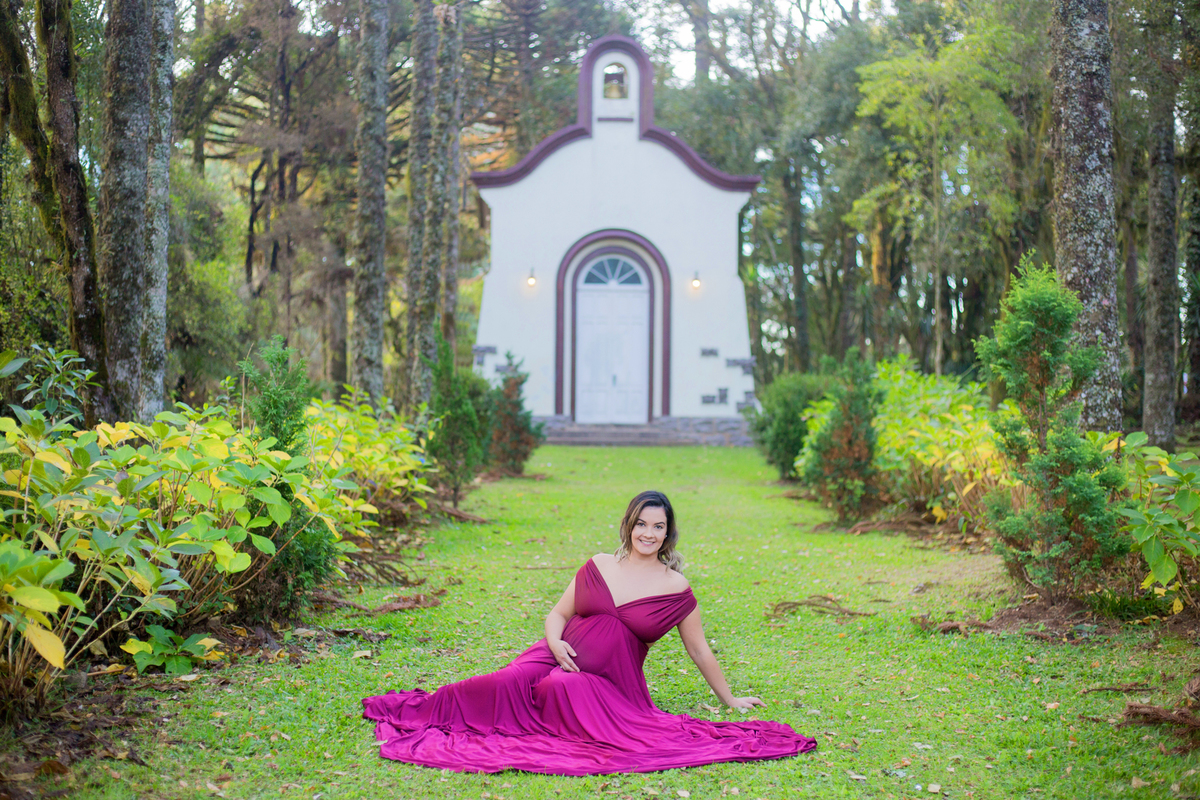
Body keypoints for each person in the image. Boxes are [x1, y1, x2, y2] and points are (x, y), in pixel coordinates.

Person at [362, 490, 816, 775]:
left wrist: (730, 700)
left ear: (667, 534)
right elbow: (556, 615)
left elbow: (699, 651)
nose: (649, 533)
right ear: (629, 525)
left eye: (658, 527)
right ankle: (418, 713)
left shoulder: (675, 588)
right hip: (554, 652)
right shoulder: (598, 565)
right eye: (642, 523)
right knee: (497, 684)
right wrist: (556, 642)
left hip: (609, 685)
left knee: (563, 687)